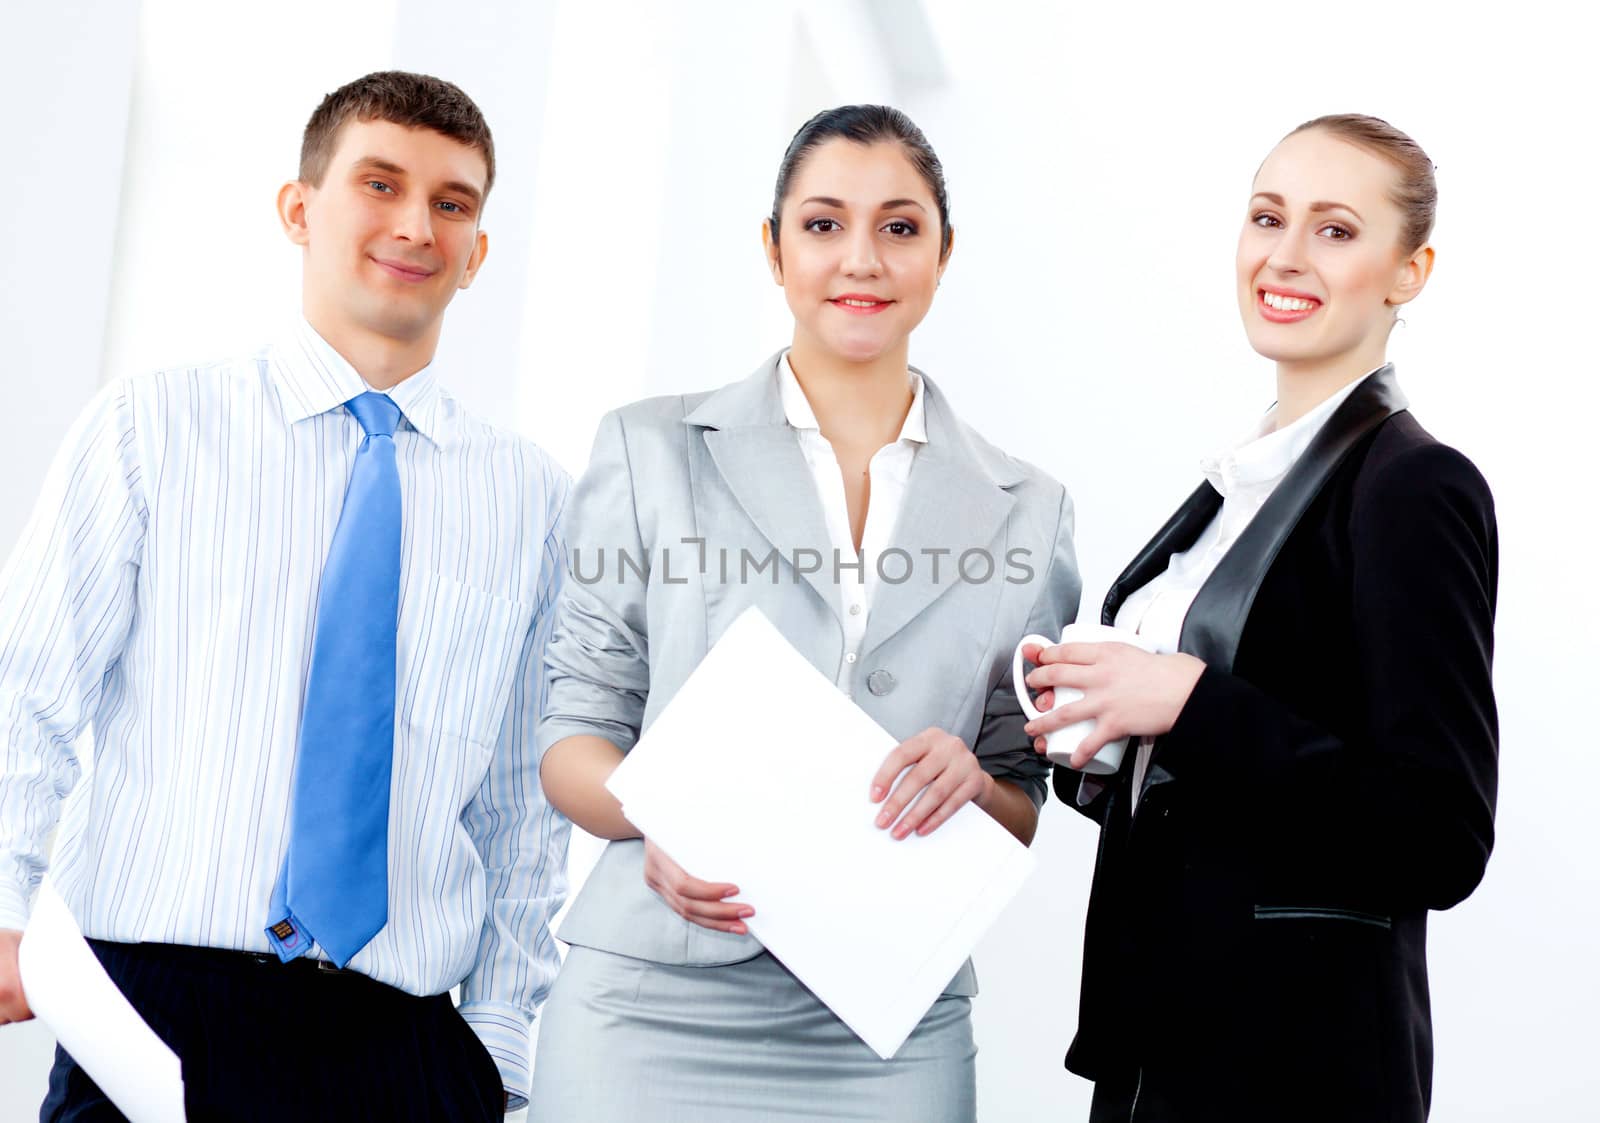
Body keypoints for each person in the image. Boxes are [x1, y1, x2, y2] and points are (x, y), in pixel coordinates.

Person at [0, 71, 570, 1120]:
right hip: (154, 1004)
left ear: (478, 251)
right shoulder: (153, 427)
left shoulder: (527, 495)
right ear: (299, 210)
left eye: (452, 203)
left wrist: (495, 1041)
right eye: (380, 184)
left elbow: (519, 800)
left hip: (405, 1039)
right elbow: (25, 693)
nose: (415, 225)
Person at [528, 104, 1081, 1121]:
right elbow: (573, 730)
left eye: (900, 227)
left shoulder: (1028, 509)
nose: (860, 259)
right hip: (649, 1007)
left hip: (887, 1034)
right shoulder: (651, 450)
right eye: (823, 224)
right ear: (773, 248)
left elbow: (1016, 793)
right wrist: (660, 811)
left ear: (944, 253)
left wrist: (972, 782)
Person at [1022, 115, 1498, 1122]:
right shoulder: (1234, 487)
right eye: (1265, 217)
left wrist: (1187, 700)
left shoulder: (1412, 485)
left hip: (1296, 1068)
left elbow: (1439, 833)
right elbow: (1225, 786)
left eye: (1333, 230)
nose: (1283, 256)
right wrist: (1104, 739)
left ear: (1407, 271)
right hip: (1161, 1047)